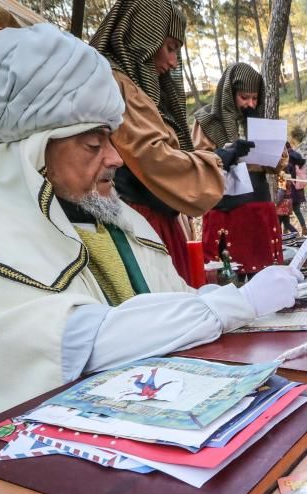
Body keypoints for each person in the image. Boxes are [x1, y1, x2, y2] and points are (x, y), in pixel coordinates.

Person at [0, 24, 301, 435]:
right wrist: (239, 303)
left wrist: (234, 297)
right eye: (94, 145)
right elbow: (83, 344)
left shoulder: (103, 213)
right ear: (36, 150)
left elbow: (163, 301)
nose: (115, 158)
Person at [90, 0, 227, 285]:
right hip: (139, 221)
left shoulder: (133, 86)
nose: (174, 61)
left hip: (157, 218)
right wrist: (215, 162)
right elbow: (149, 154)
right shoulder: (114, 82)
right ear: (144, 39)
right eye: (170, 47)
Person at [196, 63, 287, 274]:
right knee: (227, 275)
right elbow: (198, 161)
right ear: (230, 93)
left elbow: (279, 163)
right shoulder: (208, 122)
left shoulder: (259, 121)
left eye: (255, 98)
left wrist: (275, 155)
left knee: (265, 274)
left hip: (259, 207)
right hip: (226, 209)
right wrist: (228, 152)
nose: (250, 104)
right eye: (244, 97)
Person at [285, 140, 307, 234]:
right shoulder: (297, 155)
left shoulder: (286, 158)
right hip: (299, 185)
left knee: (285, 211)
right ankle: (304, 228)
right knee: (297, 210)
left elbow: (288, 172)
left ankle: (285, 231)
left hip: (290, 187)